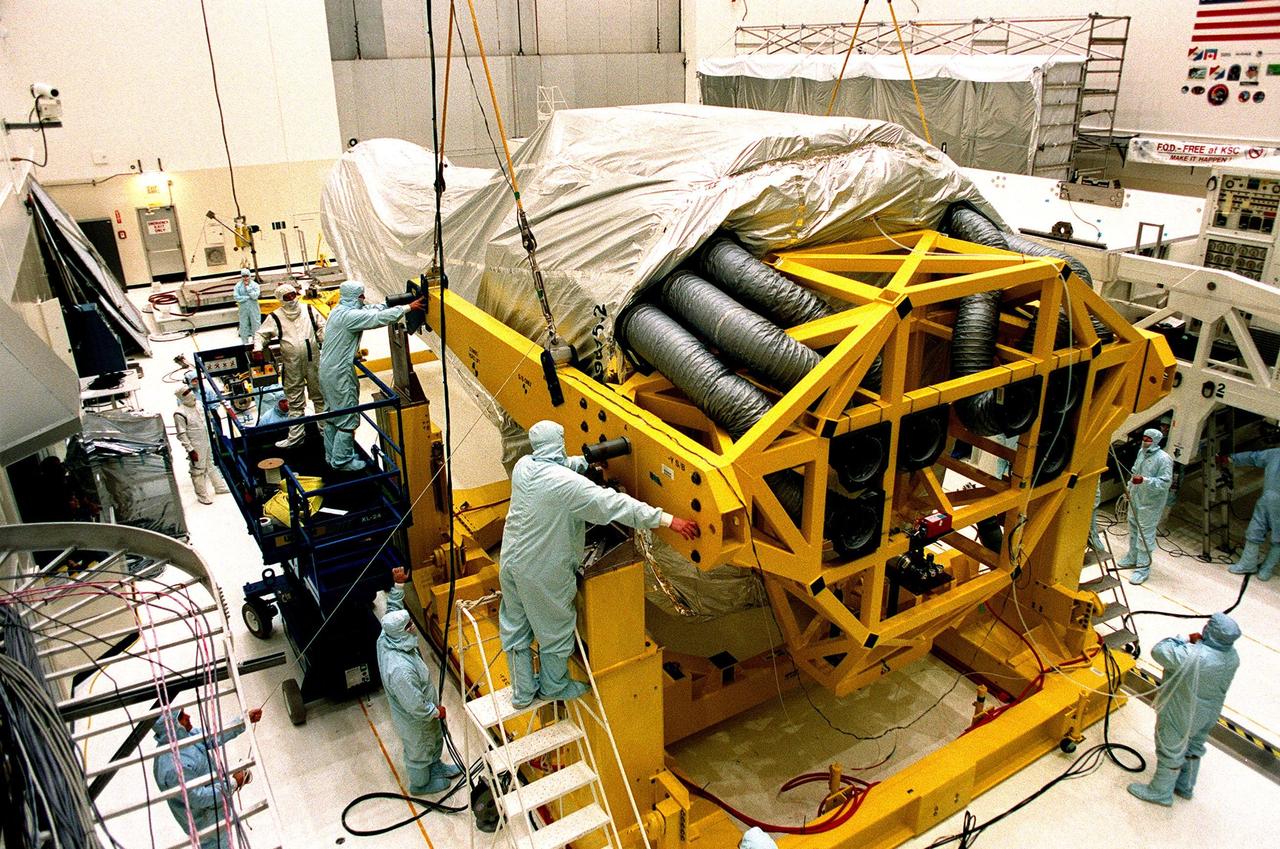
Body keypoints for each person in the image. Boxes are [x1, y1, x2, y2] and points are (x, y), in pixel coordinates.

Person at [499, 420, 701, 707]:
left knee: (516, 624)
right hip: (541, 570)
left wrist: (585, 461)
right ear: (559, 441)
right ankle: (553, 686)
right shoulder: (567, 486)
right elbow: (615, 504)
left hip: (511, 562)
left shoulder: (524, 466)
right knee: (555, 630)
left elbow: (557, 465)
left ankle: (521, 694)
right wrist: (669, 520)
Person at [1127, 612, 1240, 806]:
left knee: (1170, 748)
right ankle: (1185, 786)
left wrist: (1186, 638)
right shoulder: (1232, 656)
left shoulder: (1193, 656)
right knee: (1194, 745)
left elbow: (1159, 650)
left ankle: (1160, 792)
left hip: (1182, 709)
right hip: (1209, 712)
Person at [317, 281, 423, 471]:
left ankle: (331, 454)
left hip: (327, 371)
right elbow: (376, 319)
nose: (363, 299)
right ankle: (342, 461)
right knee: (347, 416)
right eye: (361, 296)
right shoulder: (349, 316)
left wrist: (391, 303)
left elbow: (371, 310)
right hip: (340, 373)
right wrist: (408, 308)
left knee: (333, 415)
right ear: (353, 297)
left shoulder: (339, 310)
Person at [376, 566, 460, 795]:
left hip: (423, 709)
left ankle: (436, 767)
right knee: (419, 749)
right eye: (409, 626)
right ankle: (421, 784)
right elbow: (414, 705)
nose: (413, 627)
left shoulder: (389, 635)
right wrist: (435, 712)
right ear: (401, 632)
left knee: (432, 739)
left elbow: (393, 611)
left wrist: (398, 585)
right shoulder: (400, 669)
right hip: (414, 718)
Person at [153, 705, 262, 848]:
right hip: (206, 822)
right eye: (182, 717)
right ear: (172, 727)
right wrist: (233, 782)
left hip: (215, 809)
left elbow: (212, 736)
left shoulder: (184, 737)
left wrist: (242, 721)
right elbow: (198, 798)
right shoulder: (172, 767)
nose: (188, 717)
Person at [252, 283, 326, 448]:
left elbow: (322, 327)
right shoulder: (276, 317)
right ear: (280, 300)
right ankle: (296, 438)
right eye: (287, 297)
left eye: (293, 295)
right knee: (295, 403)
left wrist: (325, 340)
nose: (292, 299)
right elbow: (261, 334)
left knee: (320, 398)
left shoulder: (308, 310)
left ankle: (325, 433)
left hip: (314, 361)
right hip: (291, 365)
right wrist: (257, 348)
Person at [1116, 428, 1173, 585]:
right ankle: (1132, 556)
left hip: (1150, 503)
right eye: (1144, 438)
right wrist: (1129, 489)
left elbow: (1165, 482)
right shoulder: (1142, 452)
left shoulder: (1164, 459)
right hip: (1136, 497)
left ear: (1156, 440)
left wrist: (1145, 480)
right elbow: (1135, 471)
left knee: (1145, 534)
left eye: (1148, 439)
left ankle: (1143, 568)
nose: (1145, 441)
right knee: (1133, 527)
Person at [1218, 447, 1280, 580]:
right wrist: (1231, 458)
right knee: (1271, 535)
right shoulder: (1276, 454)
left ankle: (1251, 564)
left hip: (1268, 499)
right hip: (1268, 499)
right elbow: (1255, 457)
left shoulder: (1275, 453)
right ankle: (1262, 569)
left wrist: (1231, 458)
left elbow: (1254, 457)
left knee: (1259, 531)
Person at [174, 383, 230, 504]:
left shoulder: (199, 404)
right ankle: (202, 495)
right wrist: (190, 450)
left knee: (211, 463)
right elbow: (181, 434)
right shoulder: (180, 413)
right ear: (181, 397)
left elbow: (206, 418)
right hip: (196, 445)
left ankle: (219, 487)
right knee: (198, 470)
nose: (190, 393)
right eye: (186, 393)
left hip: (207, 439)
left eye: (190, 390)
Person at [233, 269, 261, 346]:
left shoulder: (255, 285)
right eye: (243, 276)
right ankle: (244, 342)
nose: (245, 278)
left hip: (253, 308)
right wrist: (246, 298)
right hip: (243, 308)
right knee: (243, 324)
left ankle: (256, 341)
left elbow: (255, 296)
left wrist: (248, 289)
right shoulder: (238, 286)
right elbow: (236, 297)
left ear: (250, 276)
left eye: (247, 276)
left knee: (256, 324)